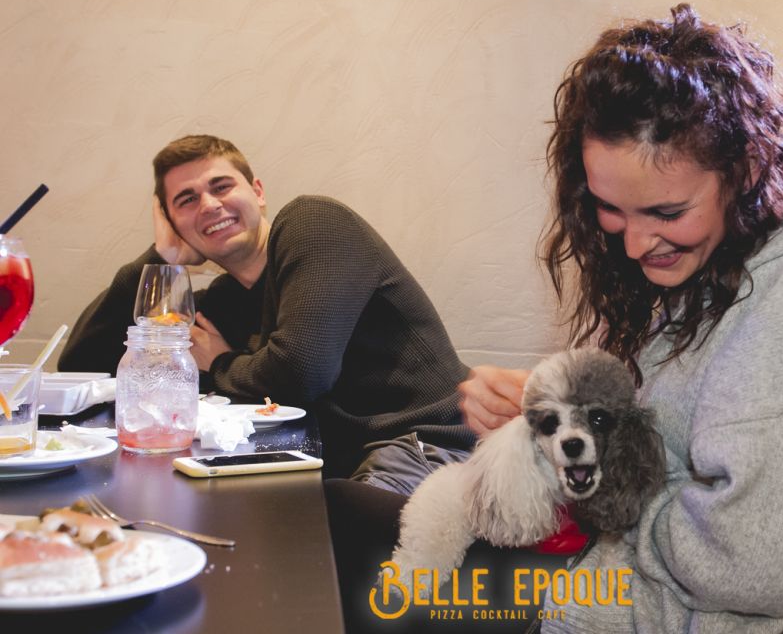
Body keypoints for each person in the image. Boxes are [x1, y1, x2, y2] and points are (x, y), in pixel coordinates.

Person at [459, 4, 783, 632]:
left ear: (744, 169)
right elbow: (672, 442)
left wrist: (598, 474)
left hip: (637, 610)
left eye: (667, 213)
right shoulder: (722, 258)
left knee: (350, 543)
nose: (633, 244)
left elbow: (754, 568)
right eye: (610, 209)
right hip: (608, 573)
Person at [59, 134, 474, 487]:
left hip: (426, 449)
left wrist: (220, 363)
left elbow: (301, 373)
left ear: (258, 193)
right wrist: (161, 257)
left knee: (322, 531)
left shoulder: (314, 223)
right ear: (174, 224)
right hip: (335, 467)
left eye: (221, 186)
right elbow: (86, 367)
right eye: (186, 200)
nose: (209, 204)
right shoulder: (224, 302)